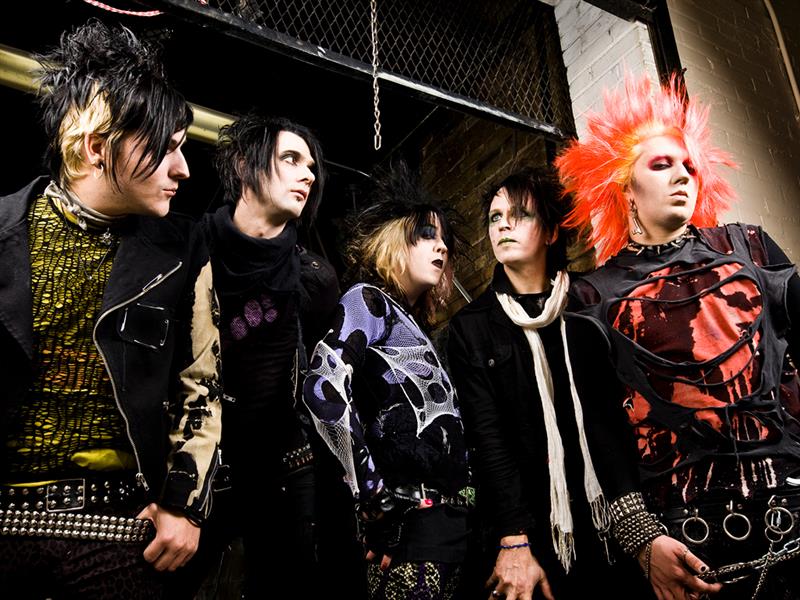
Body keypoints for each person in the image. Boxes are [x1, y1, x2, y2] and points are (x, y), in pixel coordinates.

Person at [0, 20, 222, 599]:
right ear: (97, 148)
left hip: (118, 529)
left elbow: (202, 383)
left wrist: (184, 505)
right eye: (165, 148)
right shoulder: (3, 229)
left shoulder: (182, 248)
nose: (183, 168)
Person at [556, 73, 800, 599]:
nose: (682, 175)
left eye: (689, 165)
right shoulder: (592, 296)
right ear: (625, 186)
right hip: (691, 534)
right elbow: (601, 426)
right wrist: (642, 540)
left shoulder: (749, 248)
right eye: (661, 165)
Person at [447, 167, 648, 600]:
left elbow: (616, 419)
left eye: (519, 214)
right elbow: (488, 437)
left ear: (552, 231)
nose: (502, 225)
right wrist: (513, 538)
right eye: (495, 217)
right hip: (537, 528)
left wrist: (641, 522)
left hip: (612, 517)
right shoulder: (472, 327)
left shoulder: (589, 305)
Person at [303, 164, 469, 600]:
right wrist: (373, 496)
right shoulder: (367, 301)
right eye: (426, 235)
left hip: (453, 531)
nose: (441, 247)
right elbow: (322, 388)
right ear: (394, 240)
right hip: (407, 533)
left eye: (444, 240)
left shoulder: (417, 327)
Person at [201, 114, 339, 596]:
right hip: (202, 466)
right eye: (291, 159)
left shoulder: (315, 278)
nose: (308, 175)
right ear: (245, 166)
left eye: (311, 167)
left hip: (286, 470)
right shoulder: (192, 249)